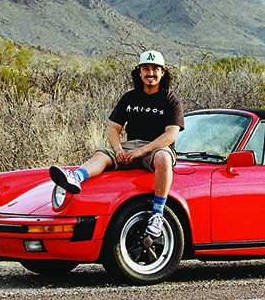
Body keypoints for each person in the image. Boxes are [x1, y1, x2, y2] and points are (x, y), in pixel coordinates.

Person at [49, 50, 184, 241]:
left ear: (163, 73)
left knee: (164, 158)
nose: (150, 73)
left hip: (155, 149)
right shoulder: (129, 98)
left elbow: (170, 135)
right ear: (139, 72)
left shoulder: (170, 100)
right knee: (101, 155)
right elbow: (114, 129)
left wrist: (142, 151)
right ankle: (76, 177)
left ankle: (158, 214)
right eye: (146, 68)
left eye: (155, 69)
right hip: (129, 147)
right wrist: (119, 150)